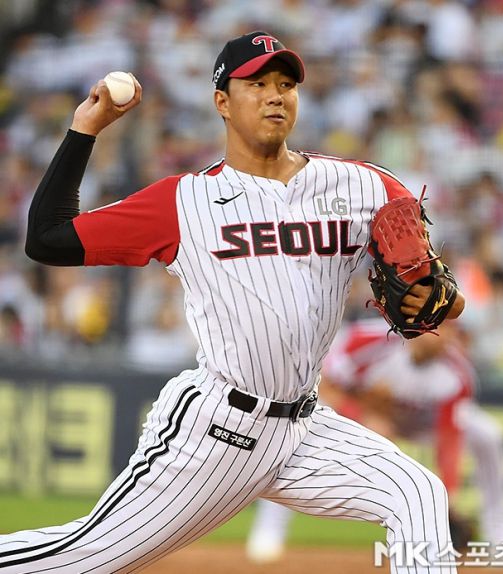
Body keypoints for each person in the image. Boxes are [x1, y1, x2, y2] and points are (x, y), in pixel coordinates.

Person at [0, 31, 464, 573]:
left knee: (417, 494)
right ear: (222, 101)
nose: (275, 95)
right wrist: (86, 129)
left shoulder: (363, 187)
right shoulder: (183, 201)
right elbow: (48, 239)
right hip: (218, 430)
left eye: (285, 84)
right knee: (81, 558)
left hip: (304, 429)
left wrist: (439, 299)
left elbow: (437, 293)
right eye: (257, 84)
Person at [247, 319, 503, 564]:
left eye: (451, 329)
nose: (446, 336)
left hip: (421, 422)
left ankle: (501, 536)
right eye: (439, 327)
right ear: (420, 324)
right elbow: (326, 387)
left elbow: (449, 439)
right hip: (362, 413)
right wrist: (362, 415)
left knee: (488, 434)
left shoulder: (457, 372)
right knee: (298, 428)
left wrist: (448, 497)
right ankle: (269, 531)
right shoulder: (369, 340)